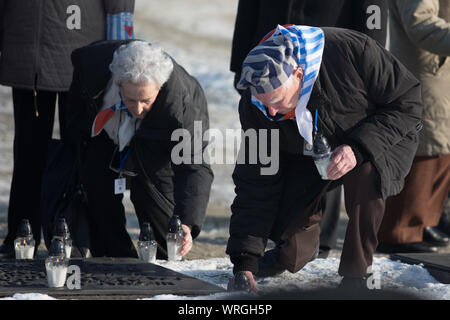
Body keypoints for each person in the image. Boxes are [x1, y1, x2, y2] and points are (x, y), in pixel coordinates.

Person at [226, 24, 423, 292]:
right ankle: (292, 251)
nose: (271, 112)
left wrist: (358, 147)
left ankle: (357, 273)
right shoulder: (256, 107)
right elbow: (255, 179)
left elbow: (408, 101)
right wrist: (244, 263)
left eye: (277, 101)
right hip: (308, 149)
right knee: (292, 249)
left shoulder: (352, 50)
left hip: (380, 135)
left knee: (366, 175)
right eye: (265, 103)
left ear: (298, 74)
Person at [230, 0, 388, 259]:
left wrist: (368, 69)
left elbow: (373, 13)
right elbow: (248, 7)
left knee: (329, 154)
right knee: (276, 156)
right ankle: (288, 240)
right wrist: (240, 65)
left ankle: (322, 243)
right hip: (269, 60)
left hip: (331, 63)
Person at [0, 0, 136, 258]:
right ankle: (23, 232)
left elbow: (119, 5)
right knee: (29, 149)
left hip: (82, 56)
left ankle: (72, 230)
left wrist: (120, 53)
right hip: (27, 53)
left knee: (79, 149)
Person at [63, 40, 213, 258]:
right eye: (130, 99)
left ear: (159, 88)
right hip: (106, 132)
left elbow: (194, 165)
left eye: (146, 100)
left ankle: (164, 259)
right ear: (118, 84)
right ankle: (114, 255)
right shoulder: (92, 69)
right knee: (97, 186)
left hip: (159, 135)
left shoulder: (182, 104)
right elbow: (76, 116)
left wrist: (188, 223)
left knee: (153, 197)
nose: (138, 108)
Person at [377, 0, 450, 253]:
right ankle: (398, 232)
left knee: (440, 150)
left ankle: (420, 222)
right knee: (424, 150)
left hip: (440, 71)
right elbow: (420, 24)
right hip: (427, 72)